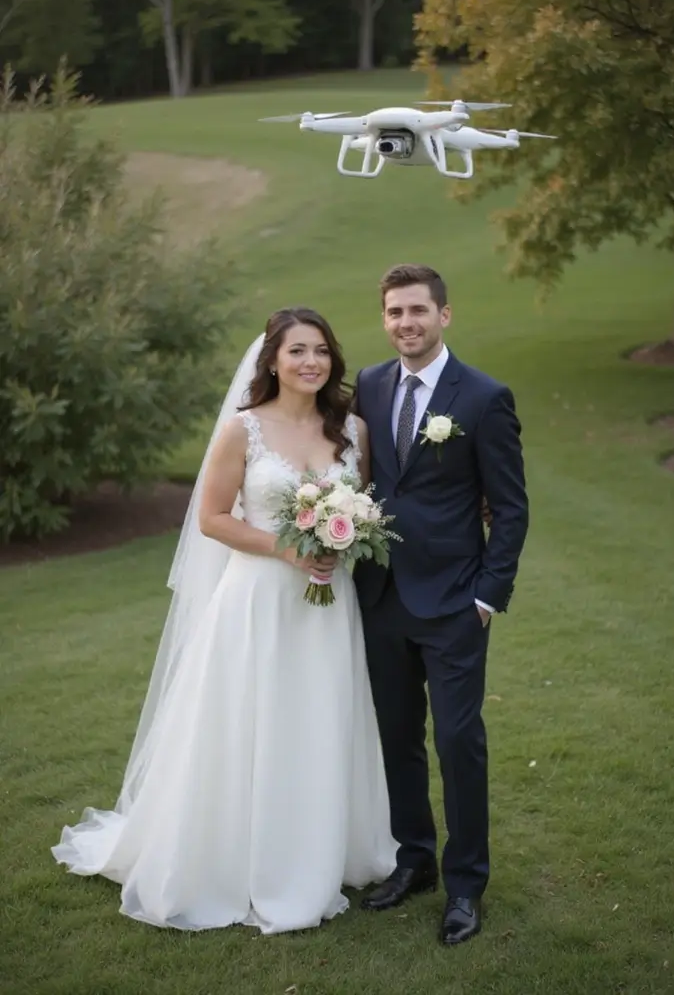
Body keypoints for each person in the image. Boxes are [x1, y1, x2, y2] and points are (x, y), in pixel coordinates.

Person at [51, 307, 397, 934]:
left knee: (319, 716)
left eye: (320, 350)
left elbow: (364, 508)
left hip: (325, 604)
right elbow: (212, 518)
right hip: (258, 600)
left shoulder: (354, 430)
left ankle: (322, 849)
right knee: (249, 720)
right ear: (272, 360)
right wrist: (288, 548)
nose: (310, 362)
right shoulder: (244, 430)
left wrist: (338, 543)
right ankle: (234, 857)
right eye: (296, 351)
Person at [354, 263, 529, 946]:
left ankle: (465, 885)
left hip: (456, 602)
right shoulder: (369, 386)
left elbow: (511, 509)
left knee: (458, 743)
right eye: (395, 312)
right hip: (382, 596)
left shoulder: (484, 397)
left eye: (418, 311)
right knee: (396, 739)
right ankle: (414, 860)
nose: (406, 323)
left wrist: (489, 595)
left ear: (445, 315)